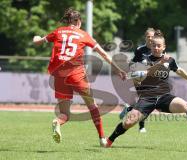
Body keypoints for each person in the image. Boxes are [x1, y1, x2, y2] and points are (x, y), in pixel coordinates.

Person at [103, 30, 187, 147]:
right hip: (147, 98)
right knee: (128, 122)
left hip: (164, 96)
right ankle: (109, 140)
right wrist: (160, 63)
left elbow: (179, 70)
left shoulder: (169, 60)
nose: (156, 48)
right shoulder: (145, 60)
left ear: (164, 47)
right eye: (154, 45)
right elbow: (144, 74)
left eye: (159, 46)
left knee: (186, 105)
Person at [32, 8, 126, 146]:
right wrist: (117, 69)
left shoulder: (58, 31)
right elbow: (104, 54)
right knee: (92, 106)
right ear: (78, 22)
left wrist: (36, 38)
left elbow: (37, 42)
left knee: (65, 114)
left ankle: (57, 122)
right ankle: (102, 139)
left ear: (68, 21)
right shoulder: (83, 34)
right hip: (76, 75)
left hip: (58, 76)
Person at [119, 28, 165, 133]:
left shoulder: (158, 49)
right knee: (144, 102)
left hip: (153, 80)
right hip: (140, 79)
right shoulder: (140, 50)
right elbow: (132, 63)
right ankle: (141, 127)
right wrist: (133, 75)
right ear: (145, 37)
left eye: (152, 36)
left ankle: (129, 109)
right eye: (148, 36)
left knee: (143, 103)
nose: (150, 38)